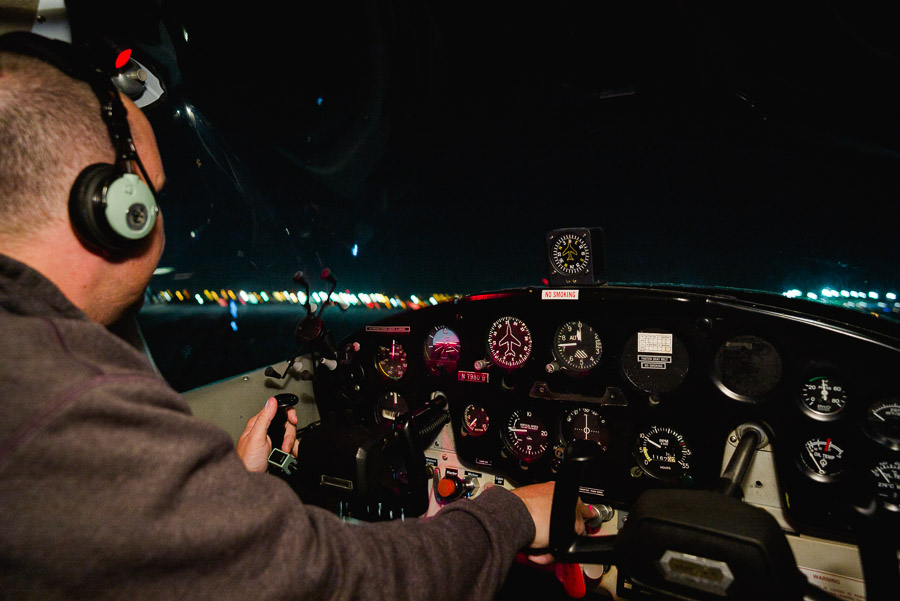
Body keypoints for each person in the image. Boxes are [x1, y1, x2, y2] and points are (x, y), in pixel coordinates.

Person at [0, 33, 589, 600]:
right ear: (112, 210)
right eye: (151, 198)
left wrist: (231, 496)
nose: (162, 224)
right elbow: (344, 586)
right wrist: (510, 512)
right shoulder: (72, 411)